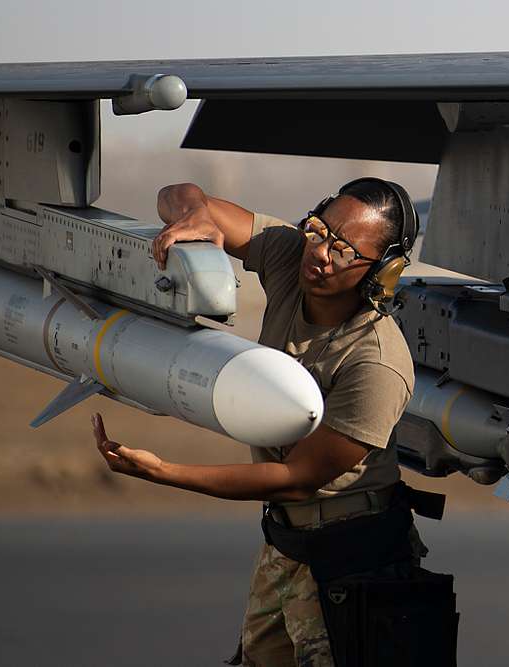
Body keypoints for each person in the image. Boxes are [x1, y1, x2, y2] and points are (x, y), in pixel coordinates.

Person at [91, 177, 430, 666]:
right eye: (319, 231)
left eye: (344, 249)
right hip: (285, 548)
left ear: (385, 269)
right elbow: (179, 194)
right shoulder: (290, 257)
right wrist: (195, 216)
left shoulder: (376, 361)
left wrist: (164, 472)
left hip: (353, 559)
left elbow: (297, 478)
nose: (321, 254)